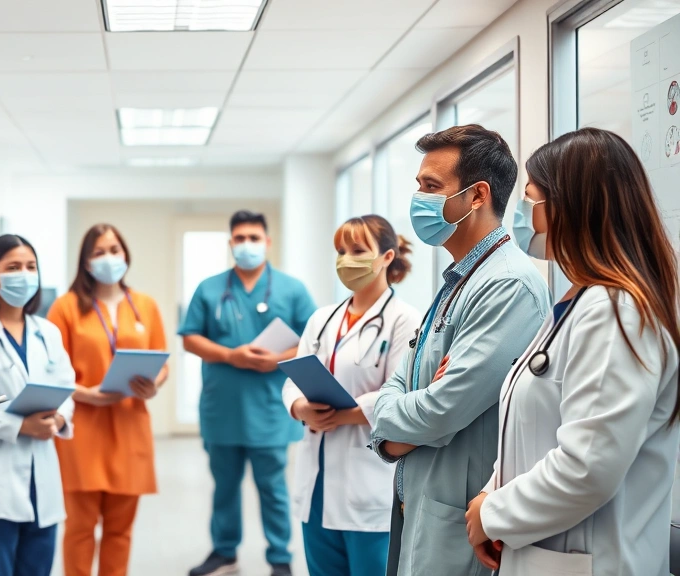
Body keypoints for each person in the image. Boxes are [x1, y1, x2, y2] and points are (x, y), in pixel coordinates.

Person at [465, 128, 680, 576]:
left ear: (572, 208)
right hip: (541, 553)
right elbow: (531, 435)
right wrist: (491, 498)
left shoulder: (616, 313)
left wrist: (493, 514)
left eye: (531, 201)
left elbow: (587, 468)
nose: (524, 218)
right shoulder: (577, 303)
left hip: (591, 563)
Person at [369, 124, 550, 576]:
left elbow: (441, 409)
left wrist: (389, 422)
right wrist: (404, 404)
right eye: (419, 185)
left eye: (431, 187)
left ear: (476, 195)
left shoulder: (507, 285)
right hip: (426, 504)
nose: (419, 198)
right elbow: (403, 381)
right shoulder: (459, 278)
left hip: (458, 519)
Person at [180, 210, 318, 576]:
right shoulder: (209, 288)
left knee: (272, 488)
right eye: (239, 239)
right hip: (222, 409)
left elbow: (314, 338)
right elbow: (190, 337)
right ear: (230, 244)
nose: (246, 245)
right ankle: (224, 551)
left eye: (253, 238)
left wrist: (277, 359)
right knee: (224, 488)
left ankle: (279, 558)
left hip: (269, 410)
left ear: (267, 242)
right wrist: (230, 355)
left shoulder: (291, 289)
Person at [283, 215, 422, 576]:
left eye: (358, 250)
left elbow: (399, 391)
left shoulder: (404, 320)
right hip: (316, 487)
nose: (346, 259)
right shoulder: (322, 318)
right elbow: (292, 380)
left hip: (368, 485)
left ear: (387, 257)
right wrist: (301, 408)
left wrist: (341, 415)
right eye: (341, 251)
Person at [47, 223, 168, 576]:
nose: (109, 258)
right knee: (80, 529)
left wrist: (155, 384)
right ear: (85, 262)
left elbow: (162, 362)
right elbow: (53, 371)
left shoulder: (145, 305)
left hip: (130, 426)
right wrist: (89, 395)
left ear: (125, 254)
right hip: (82, 429)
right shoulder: (66, 307)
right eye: (98, 252)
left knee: (120, 530)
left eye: (114, 250)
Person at [0, 234, 75, 576]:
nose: (24, 274)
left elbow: (67, 386)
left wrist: (59, 421)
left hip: (43, 482)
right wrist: (21, 425)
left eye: (31, 267)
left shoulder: (47, 331)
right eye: (14, 267)